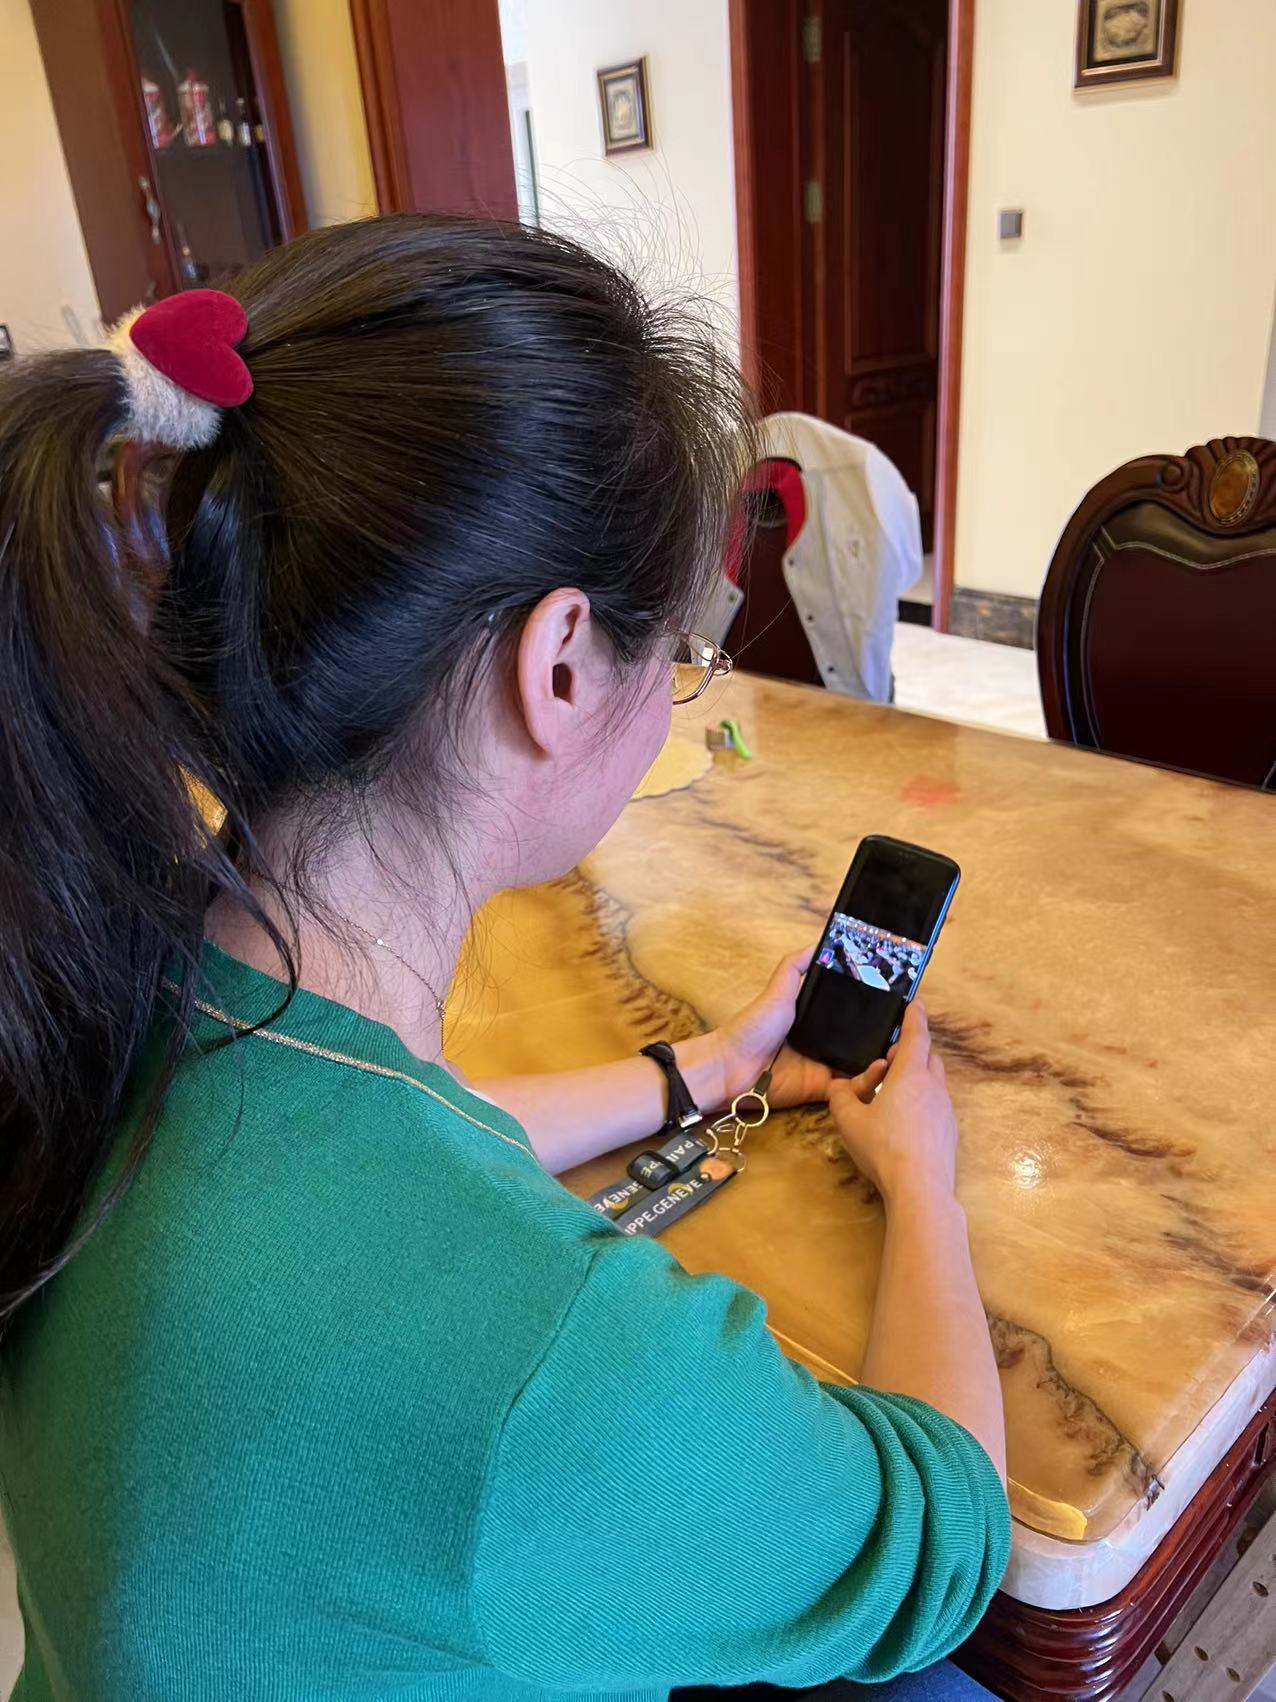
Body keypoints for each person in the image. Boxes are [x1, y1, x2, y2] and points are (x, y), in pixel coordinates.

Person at [0, 216, 1008, 1701]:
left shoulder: (98, 990)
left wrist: (698, 1070)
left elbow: (386, 1160)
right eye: (678, 656)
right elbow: (941, 1537)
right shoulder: (555, 1364)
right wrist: (925, 1184)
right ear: (559, 665)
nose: (673, 696)